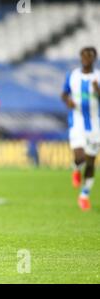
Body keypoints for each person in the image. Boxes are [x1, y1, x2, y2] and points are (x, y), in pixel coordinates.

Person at [62, 46, 100, 211]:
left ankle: (84, 195)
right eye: (84, 55)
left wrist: (98, 90)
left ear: (94, 58)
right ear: (81, 57)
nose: (87, 58)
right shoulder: (73, 76)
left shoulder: (98, 77)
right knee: (80, 157)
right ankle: (76, 167)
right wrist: (68, 101)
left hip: (95, 125)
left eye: (90, 56)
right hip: (76, 123)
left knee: (91, 163)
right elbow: (64, 93)